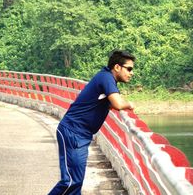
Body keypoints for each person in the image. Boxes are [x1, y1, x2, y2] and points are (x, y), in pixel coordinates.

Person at [48, 50, 136, 195]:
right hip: (73, 132)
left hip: (81, 135)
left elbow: (111, 104)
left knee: (76, 182)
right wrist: (130, 104)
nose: (131, 73)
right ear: (117, 67)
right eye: (129, 69)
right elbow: (118, 104)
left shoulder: (107, 79)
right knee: (71, 181)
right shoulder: (106, 78)